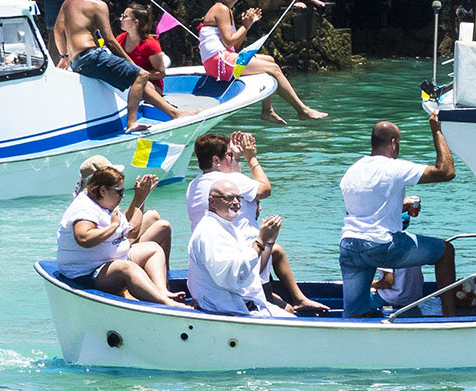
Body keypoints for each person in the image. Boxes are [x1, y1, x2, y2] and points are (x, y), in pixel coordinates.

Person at [185, 131, 327, 313]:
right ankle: (288, 302)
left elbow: (236, 185)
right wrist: (251, 158)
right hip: (245, 258)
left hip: (211, 259)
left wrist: (235, 157)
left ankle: (298, 298)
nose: (232, 158)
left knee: (277, 252)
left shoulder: (194, 186)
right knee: (287, 311)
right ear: (215, 160)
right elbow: (265, 188)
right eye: (229, 155)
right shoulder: (230, 180)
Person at [338, 116, 459, 318]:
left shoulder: (352, 171)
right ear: (393, 143)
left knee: (355, 314)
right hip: (382, 245)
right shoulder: (394, 167)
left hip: (350, 245)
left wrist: (401, 204)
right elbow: (446, 172)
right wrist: (436, 130)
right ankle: (451, 318)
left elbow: (360, 210)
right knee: (445, 251)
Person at [198, 0, 327, 125]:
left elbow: (235, 46)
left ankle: (268, 110)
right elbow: (229, 42)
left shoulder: (227, 10)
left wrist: (246, 25)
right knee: (273, 69)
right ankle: (302, 110)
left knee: (269, 59)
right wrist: (246, 25)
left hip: (221, 60)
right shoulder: (221, 9)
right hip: (218, 63)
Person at [55, 166, 189, 307]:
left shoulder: (105, 204)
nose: (123, 195)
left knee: (153, 249)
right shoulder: (85, 208)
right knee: (126, 267)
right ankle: (166, 303)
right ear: (102, 191)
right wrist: (113, 227)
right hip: (88, 273)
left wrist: (139, 200)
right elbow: (84, 238)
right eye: (119, 191)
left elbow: (132, 231)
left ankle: (162, 291)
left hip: (110, 260)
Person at [53, 0, 160, 132]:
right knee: (141, 74)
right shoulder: (99, 5)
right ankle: (132, 123)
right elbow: (109, 40)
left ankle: (173, 112)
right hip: (91, 56)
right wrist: (132, 64)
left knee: (137, 78)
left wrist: (64, 56)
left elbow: (57, 30)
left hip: (76, 61)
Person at [187, 180, 294, 317]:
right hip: (227, 312)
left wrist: (268, 243)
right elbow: (231, 278)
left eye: (239, 197)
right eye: (229, 198)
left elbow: (252, 271)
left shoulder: (228, 226)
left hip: (247, 306)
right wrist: (260, 240)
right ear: (212, 202)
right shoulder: (209, 232)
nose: (236, 202)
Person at [76, 155, 174, 263]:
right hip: (109, 253)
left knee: (152, 215)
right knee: (163, 227)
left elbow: (119, 218)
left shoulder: (97, 197)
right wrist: (140, 198)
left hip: (112, 241)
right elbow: (132, 232)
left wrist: (139, 197)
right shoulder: (91, 203)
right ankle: (162, 271)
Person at [116, 3, 199, 120]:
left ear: (136, 22)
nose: (121, 19)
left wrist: (138, 74)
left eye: (125, 16)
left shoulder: (150, 44)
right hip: (128, 81)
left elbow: (160, 73)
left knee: (140, 82)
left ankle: (174, 113)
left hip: (151, 85)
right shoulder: (120, 39)